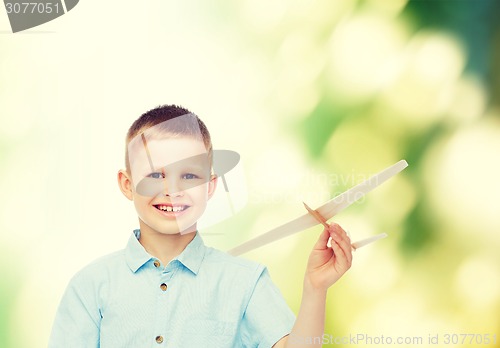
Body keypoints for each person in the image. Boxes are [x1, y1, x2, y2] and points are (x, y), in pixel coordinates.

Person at [48, 105, 353, 348]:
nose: (172, 190)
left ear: (210, 186)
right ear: (127, 184)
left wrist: (316, 288)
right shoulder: (90, 286)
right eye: (155, 175)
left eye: (190, 176)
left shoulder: (245, 283)